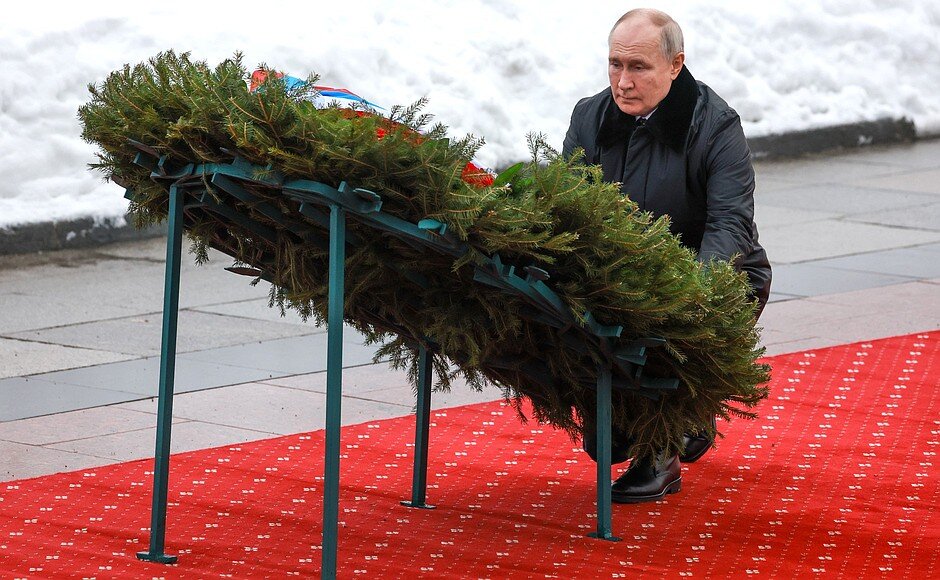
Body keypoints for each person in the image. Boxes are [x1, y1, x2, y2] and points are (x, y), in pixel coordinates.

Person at [563, 8, 772, 503]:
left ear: (675, 65)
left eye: (639, 68)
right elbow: (567, 207)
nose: (622, 82)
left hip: (717, 275)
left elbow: (730, 226)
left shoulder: (716, 125)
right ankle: (684, 414)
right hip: (621, 277)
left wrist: (688, 292)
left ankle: (661, 455)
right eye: (615, 65)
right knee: (602, 443)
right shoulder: (590, 116)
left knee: (659, 334)